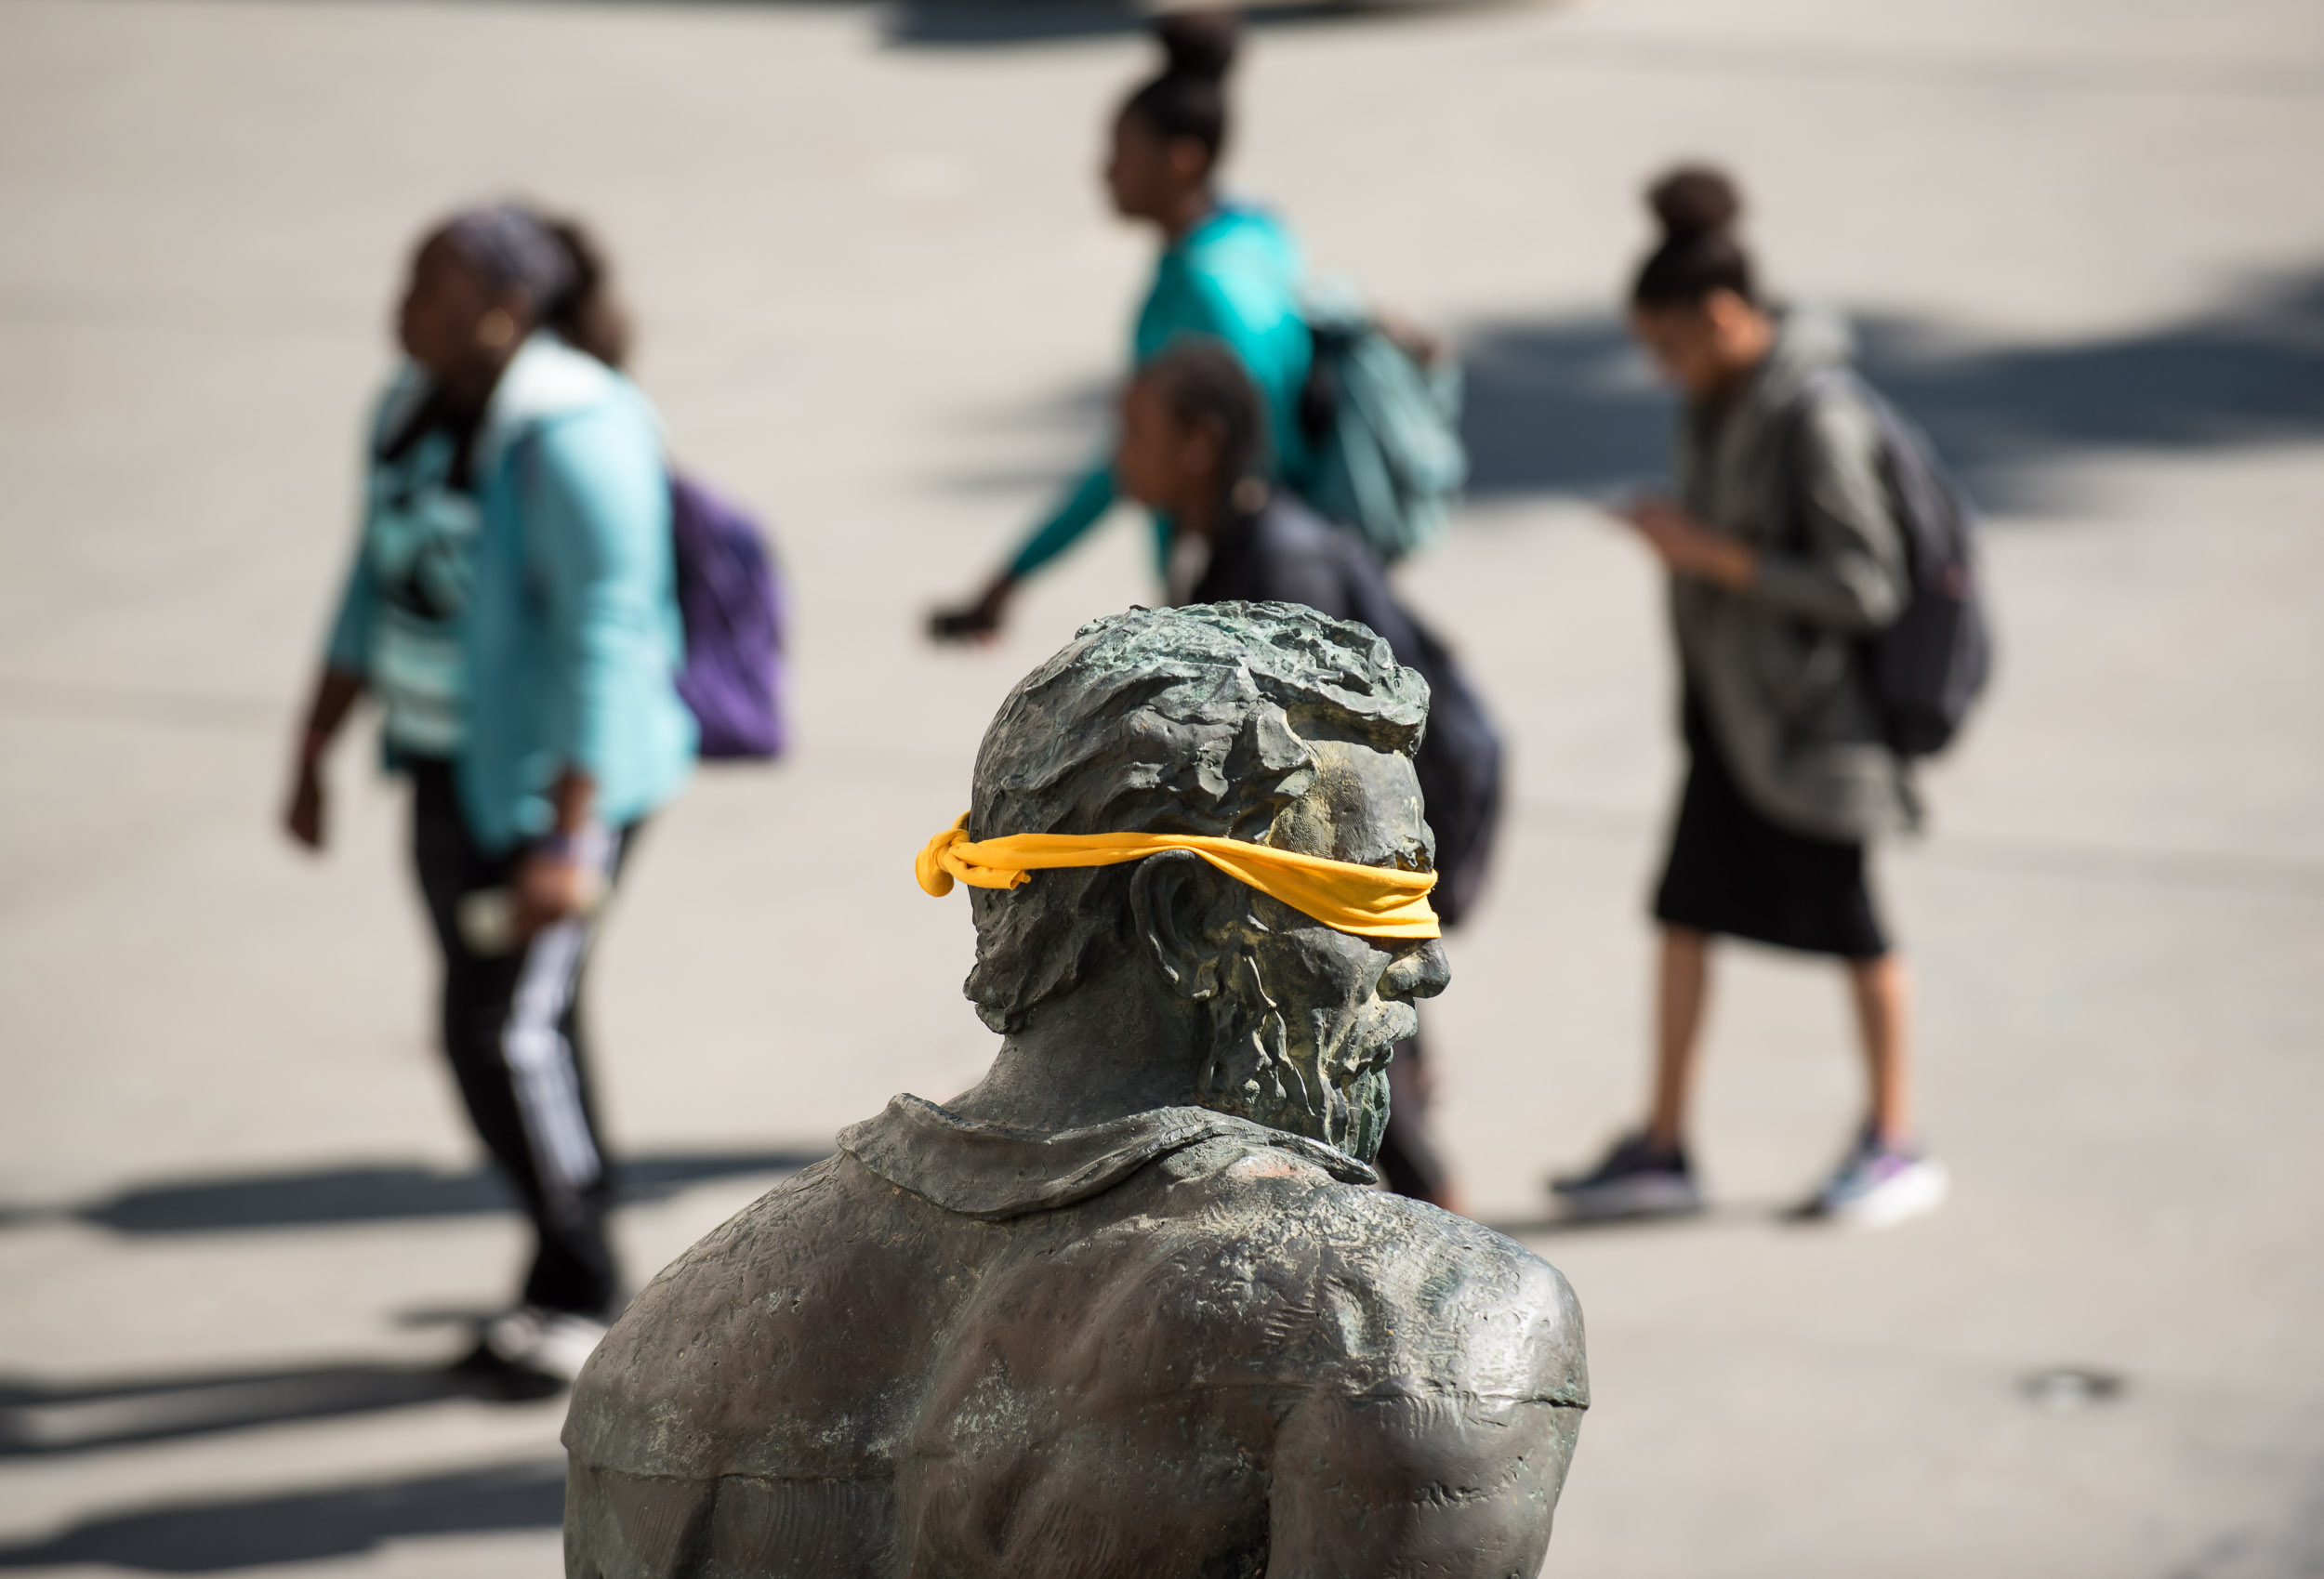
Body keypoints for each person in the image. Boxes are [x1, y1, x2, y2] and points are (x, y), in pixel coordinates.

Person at [564, 604, 1585, 1574]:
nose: (1425, 964)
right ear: (1187, 919)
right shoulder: (1419, 1330)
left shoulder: (670, 1333)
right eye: (1380, 899)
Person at [282, 204, 695, 1387]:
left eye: (432, 282)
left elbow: (604, 644)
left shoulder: (574, 434)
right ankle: (561, 1271)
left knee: (501, 1031)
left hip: (558, 785)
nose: (402, 300)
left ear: (505, 311)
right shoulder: (407, 410)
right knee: (512, 1027)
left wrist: (572, 831)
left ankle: (590, 1287)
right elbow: (373, 579)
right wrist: (313, 743)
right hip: (446, 765)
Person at [1550, 167, 1948, 1229]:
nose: (1664, 372)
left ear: (1723, 316)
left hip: (1815, 727)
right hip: (1734, 718)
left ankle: (1892, 1138)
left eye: (1671, 347)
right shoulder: (1726, 397)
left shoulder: (1814, 415)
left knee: (1855, 926)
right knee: (1684, 912)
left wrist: (1711, 556)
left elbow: (1866, 583)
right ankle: (1665, 1142)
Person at [1111, 339, 1505, 1215]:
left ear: (1200, 442)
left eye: (1134, 430)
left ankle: (1454, 1276)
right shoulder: (1222, 542)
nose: (1118, 453)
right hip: (1306, 879)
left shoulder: (1284, 564)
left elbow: (1334, 769)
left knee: (1384, 1113)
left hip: (1333, 870)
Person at [930, 11, 1313, 640]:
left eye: (1121, 154)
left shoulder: (1201, 295)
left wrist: (1011, 577)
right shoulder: (1256, 235)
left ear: (1182, 162)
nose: (1104, 172)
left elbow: (1145, 456)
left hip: (1235, 600)